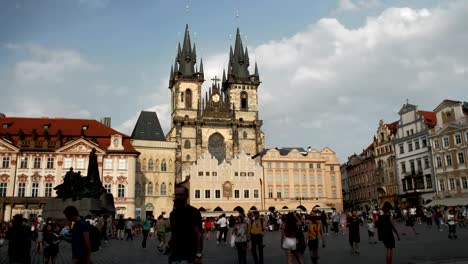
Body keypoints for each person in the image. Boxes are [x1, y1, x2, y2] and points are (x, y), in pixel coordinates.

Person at [168, 185, 203, 264]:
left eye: (181, 195)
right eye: (176, 195)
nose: (178, 197)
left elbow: (199, 234)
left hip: (190, 254)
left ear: (186, 196)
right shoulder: (173, 214)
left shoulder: (193, 212)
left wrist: (198, 254)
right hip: (175, 254)